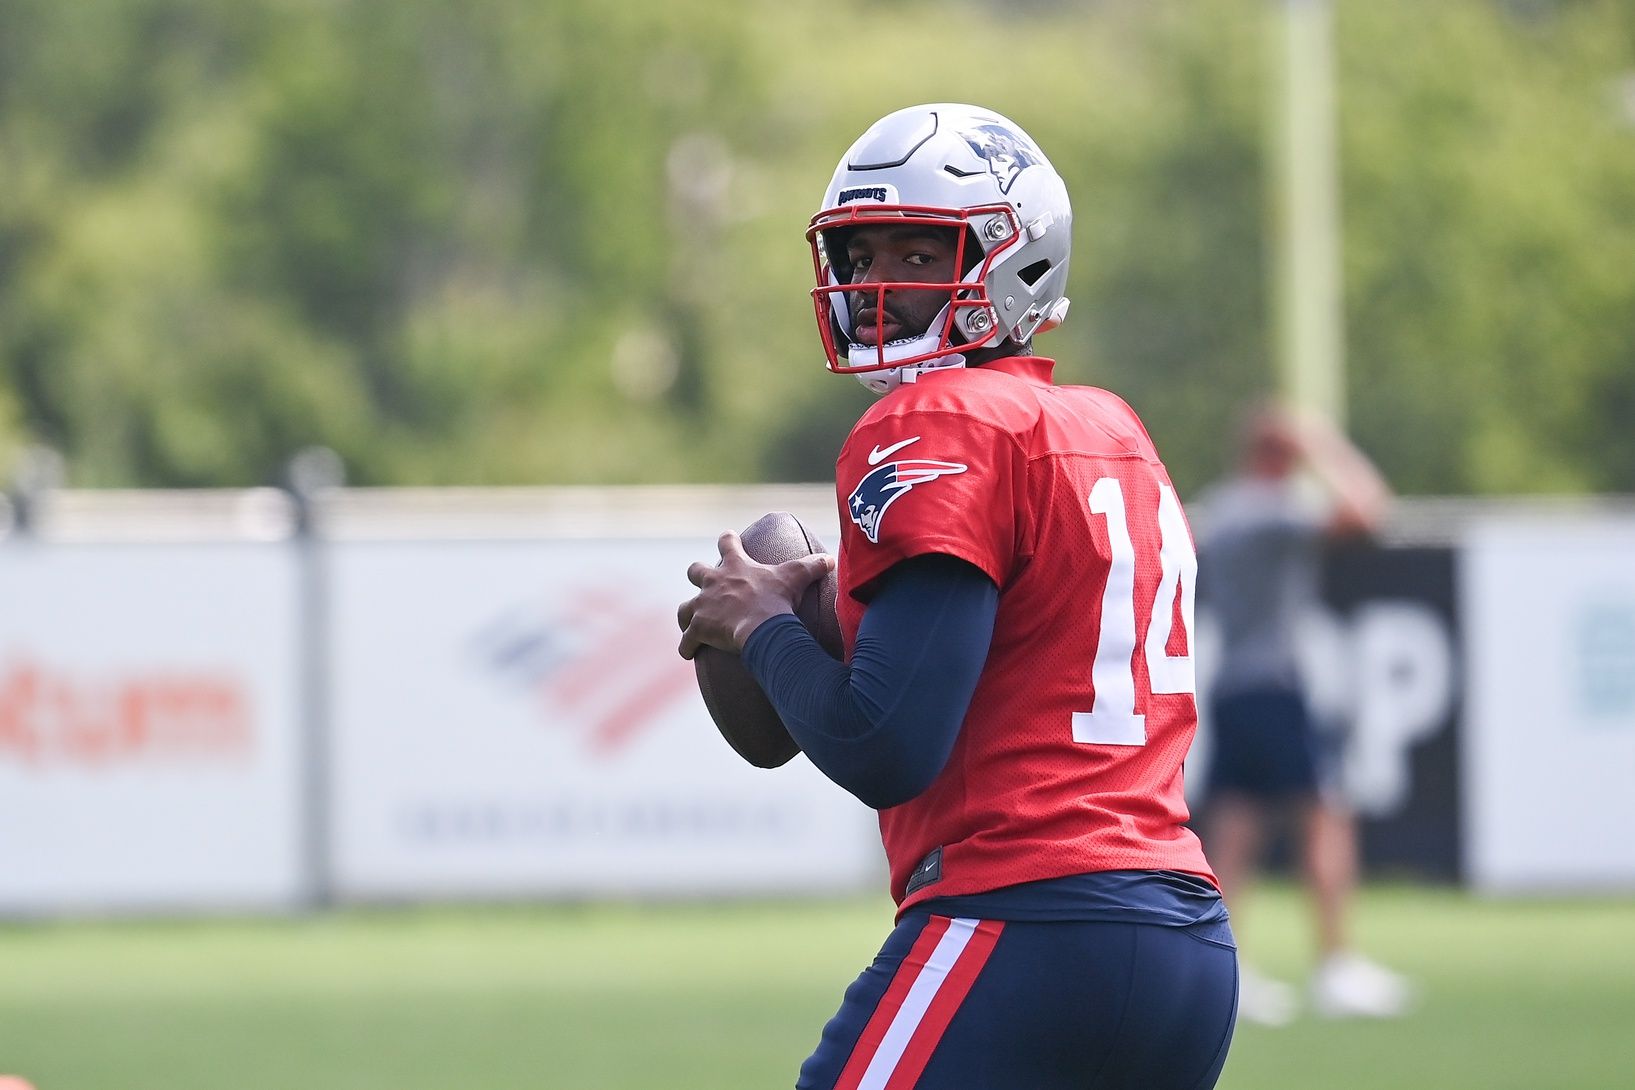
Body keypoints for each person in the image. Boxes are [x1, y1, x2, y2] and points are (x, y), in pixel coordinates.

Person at [677, 103, 1237, 1090]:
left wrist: (762, 624)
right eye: (861, 255)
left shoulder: (938, 418)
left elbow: (883, 743)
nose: (878, 286)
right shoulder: (1112, 429)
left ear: (1012, 259)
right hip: (1182, 943)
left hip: (1024, 920)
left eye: (919, 252)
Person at [1191, 403, 1413, 1024]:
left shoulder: (1225, 506)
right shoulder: (1272, 509)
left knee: (1234, 829)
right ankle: (1336, 964)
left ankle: (1228, 967)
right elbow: (1370, 510)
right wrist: (1324, 445)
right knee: (1323, 819)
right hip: (1275, 685)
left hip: (1234, 683)